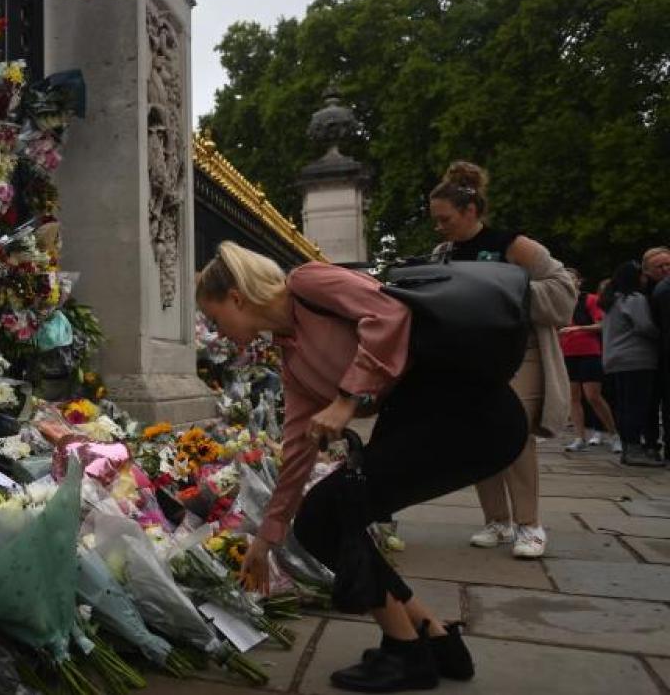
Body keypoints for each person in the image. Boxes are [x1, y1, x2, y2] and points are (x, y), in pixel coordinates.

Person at [197, 242, 525, 692]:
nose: (215, 332)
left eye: (215, 319)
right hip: (417, 422)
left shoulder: (308, 283)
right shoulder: (292, 361)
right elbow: (297, 450)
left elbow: (390, 315)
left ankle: (406, 652)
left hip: (467, 409)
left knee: (331, 511)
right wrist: (266, 538)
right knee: (323, 516)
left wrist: (346, 399)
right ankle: (432, 636)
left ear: (236, 298)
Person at [428, 161, 575, 559]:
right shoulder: (443, 253)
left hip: (519, 353)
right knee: (479, 435)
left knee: (513, 433)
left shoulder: (514, 245)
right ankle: (497, 519)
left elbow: (563, 291)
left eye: (445, 219)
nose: (439, 227)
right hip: (472, 356)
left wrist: (508, 294)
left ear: (470, 211)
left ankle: (530, 524)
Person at [601, 261, 662, 466]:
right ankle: (635, 449)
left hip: (615, 359)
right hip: (637, 358)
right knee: (638, 406)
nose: (646, 279)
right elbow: (644, 326)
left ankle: (628, 447)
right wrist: (660, 335)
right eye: (642, 275)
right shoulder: (635, 299)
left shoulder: (612, 300)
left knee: (625, 406)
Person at [559, 268, 619, 452]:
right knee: (573, 397)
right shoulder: (560, 302)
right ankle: (579, 437)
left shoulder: (590, 300)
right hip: (567, 353)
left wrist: (575, 329)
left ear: (579, 281)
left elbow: (601, 324)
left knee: (593, 396)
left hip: (589, 352)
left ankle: (614, 433)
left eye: (571, 278)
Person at [640, 247, 670, 462]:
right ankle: (650, 443)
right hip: (647, 355)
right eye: (660, 266)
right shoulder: (643, 292)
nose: (666, 269)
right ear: (648, 271)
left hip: (661, 353)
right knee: (649, 402)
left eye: (668, 264)